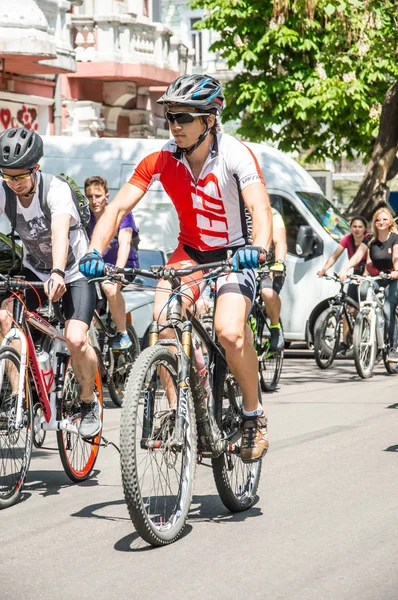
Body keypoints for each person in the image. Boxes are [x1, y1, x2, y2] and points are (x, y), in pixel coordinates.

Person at [79, 73, 273, 463]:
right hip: (189, 253)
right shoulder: (162, 159)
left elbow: (260, 209)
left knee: (230, 333)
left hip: (235, 253)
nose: (175, 126)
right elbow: (117, 208)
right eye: (170, 117)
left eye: (184, 117)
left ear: (210, 120)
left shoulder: (235, 154)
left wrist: (259, 248)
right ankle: (180, 412)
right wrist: (94, 251)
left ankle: (253, 415)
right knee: (162, 324)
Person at [0, 127, 101, 438]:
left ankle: (88, 401)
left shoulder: (55, 189)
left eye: (20, 176)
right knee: (5, 317)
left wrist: (58, 271)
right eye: (7, 176)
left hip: (73, 272)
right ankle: (17, 398)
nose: (14, 183)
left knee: (75, 337)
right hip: (34, 271)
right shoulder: (4, 192)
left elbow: (59, 232)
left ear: (36, 169)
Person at [85, 175, 139, 350]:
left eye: (98, 196)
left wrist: (118, 271)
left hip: (125, 265)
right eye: (90, 196)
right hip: (97, 269)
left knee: (110, 287)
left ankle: (123, 333)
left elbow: (124, 244)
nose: (94, 201)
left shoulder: (120, 213)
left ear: (107, 196)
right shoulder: (85, 218)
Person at [339, 207, 398, 362]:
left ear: (390, 221)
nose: (381, 222)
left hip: (393, 277)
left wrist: (395, 272)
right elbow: (358, 256)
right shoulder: (370, 239)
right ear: (374, 222)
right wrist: (345, 268)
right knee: (364, 289)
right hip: (377, 277)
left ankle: (392, 348)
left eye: (385, 219)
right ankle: (368, 322)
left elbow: (396, 258)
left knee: (387, 309)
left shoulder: (395, 238)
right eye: (378, 219)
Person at [318, 215, 371, 351]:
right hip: (355, 274)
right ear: (350, 228)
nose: (357, 230)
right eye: (354, 227)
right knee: (348, 308)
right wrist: (324, 270)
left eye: (360, 227)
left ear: (365, 228)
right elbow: (334, 256)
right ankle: (345, 341)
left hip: (368, 274)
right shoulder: (347, 239)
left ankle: (368, 338)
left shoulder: (369, 238)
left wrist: (365, 274)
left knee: (366, 307)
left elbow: (370, 260)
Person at [258, 207, 287, 351]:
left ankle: (275, 327)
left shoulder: (273, 214)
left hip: (269, 267)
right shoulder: (235, 212)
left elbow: (279, 242)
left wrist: (279, 263)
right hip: (245, 268)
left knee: (268, 293)